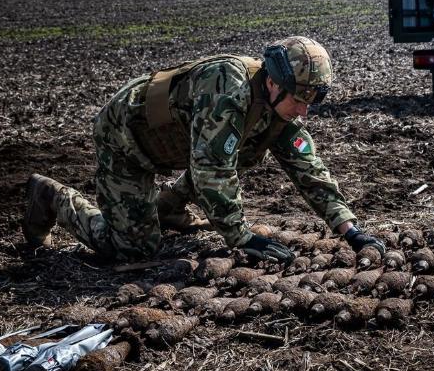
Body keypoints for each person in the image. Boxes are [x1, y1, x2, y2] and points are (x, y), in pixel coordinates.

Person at [23, 36, 385, 264]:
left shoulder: (279, 109)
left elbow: (309, 169)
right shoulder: (227, 88)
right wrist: (241, 237)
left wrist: (349, 230)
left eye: (311, 102)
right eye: (299, 100)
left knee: (247, 149)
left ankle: (167, 207)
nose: (304, 111)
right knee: (134, 251)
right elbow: (212, 169)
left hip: (180, 148)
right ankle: (51, 197)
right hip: (127, 141)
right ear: (274, 82)